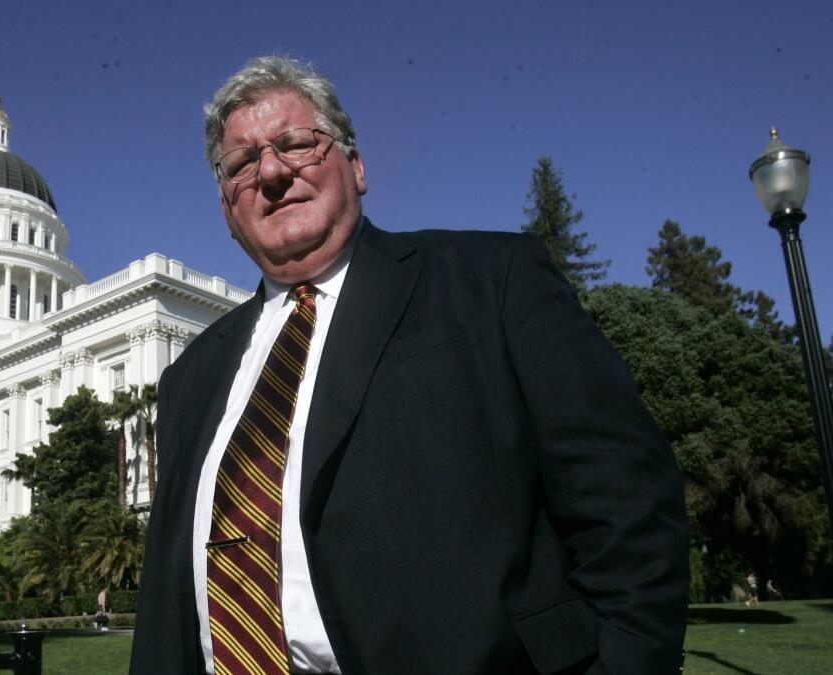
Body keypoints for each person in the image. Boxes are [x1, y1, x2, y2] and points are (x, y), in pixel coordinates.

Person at [131, 56, 689, 675]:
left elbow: (626, 505)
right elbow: (168, 596)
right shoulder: (190, 376)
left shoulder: (489, 282)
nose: (270, 171)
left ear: (357, 165)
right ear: (226, 207)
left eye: (296, 144)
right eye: (240, 164)